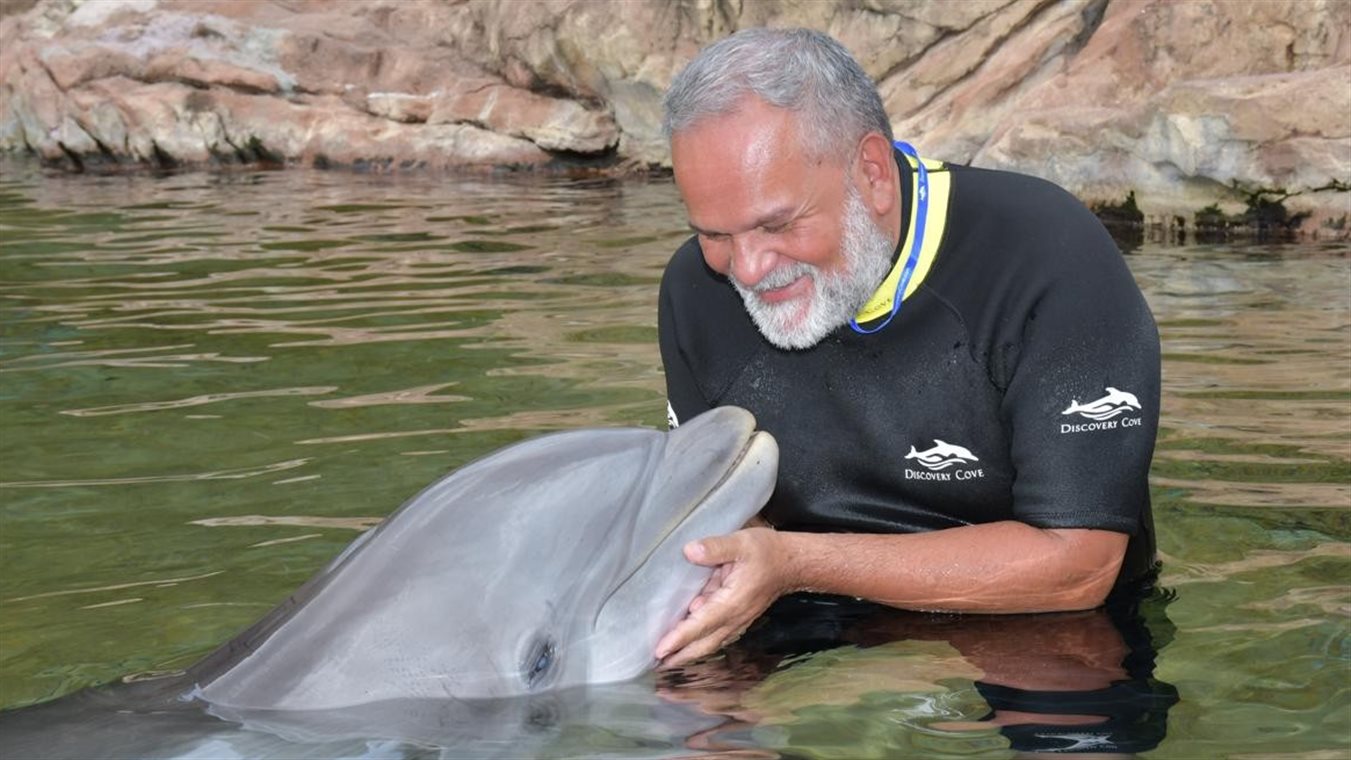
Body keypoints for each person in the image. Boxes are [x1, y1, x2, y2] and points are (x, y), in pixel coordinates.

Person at [653, 28, 1162, 667]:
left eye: (777, 223)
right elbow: (712, 504)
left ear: (872, 173)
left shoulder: (1045, 253)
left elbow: (1078, 567)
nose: (749, 269)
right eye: (714, 234)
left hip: (1035, 616)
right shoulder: (695, 288)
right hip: (788, 598)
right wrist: (764, 566)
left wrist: (796, 562)